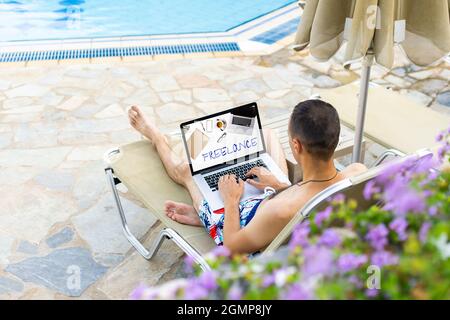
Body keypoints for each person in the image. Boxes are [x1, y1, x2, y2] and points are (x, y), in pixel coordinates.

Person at [128, 100, 367, 255]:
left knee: (187, 173)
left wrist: (231, 201)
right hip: (281, 210)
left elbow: (233, 247)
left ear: (296, 145)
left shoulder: (279, 211)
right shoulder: (358, 173)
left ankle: (157, 138)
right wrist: (279, 186)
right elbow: (307, 199)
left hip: (247, 227)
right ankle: (209, 212)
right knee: (268, 136)